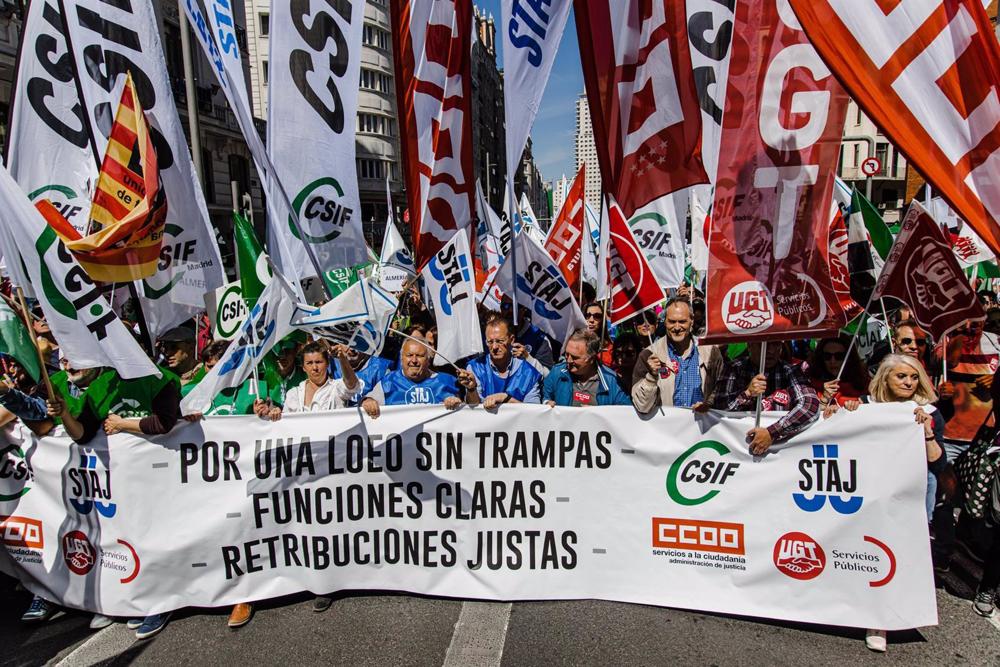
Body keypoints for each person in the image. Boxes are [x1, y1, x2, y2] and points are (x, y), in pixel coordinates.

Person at [28, 362, 181, 638]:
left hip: (164, 474)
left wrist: (123, 424)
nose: (68, 364)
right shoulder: (100, 388)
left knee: (160, 537)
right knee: (134, 538)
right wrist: (64, 414)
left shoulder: (158, 378)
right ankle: (141, 598)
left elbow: (165, 422)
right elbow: (83, 435)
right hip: (125, 480)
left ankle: (163, 601)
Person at [827, 354, 946, 652]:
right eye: (901, 376)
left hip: (903, 496)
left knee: (892, 556)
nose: (908, 382)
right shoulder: (865, 406)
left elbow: (937, 463)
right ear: (885, 379)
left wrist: (927, 431)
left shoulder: (927, 411)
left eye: (914, 377)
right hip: (864, 494)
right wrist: (843, 411)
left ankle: (878, 621)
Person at [712, 342, 820, 454]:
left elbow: (810, 405)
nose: (771, 351)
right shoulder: (733, 369)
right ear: (750, 345)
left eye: (776, 345)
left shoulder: (790, 371)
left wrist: (771, 432)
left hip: (778, 456)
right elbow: (719, 410)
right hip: (737, 451)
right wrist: (747, 394)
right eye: (763, 345)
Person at [632, 299, 723, 413]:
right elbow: (641, 407)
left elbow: (721, 392)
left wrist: (708, 404)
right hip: (666, 428)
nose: (677, 327)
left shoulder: (711, 352)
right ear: (664, 322)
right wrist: (651, 377)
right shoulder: (649, 355)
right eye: (672, 321)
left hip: (701, 426)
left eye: (682, 321)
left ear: (692, 321)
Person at [361, 339, 477, 418]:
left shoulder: (448, 381)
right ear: (402, 358)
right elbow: (366, 404)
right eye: (409, 355)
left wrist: (469, 393)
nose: (414, 360)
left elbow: (474, 412)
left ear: (428, 359)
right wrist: (367, 401)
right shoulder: (388, 382)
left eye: (420, 356)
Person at [464, 316, 542, 408]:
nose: (494, 347)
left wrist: (505, 398)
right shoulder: (476, 367)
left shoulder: (528, 373)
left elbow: (534, 412)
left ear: (512, 339)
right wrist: (471, 389)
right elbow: (474, 407)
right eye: (490, 342)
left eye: (500, 341)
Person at [542, 329, 630, 406]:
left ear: (591, 358)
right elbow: (544, 395)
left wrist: (598, 414)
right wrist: (546, 403)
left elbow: (624, 411)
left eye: (575, 357)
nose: (568, 360)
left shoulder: (612, 382)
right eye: (567, 354)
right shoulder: (557, 372)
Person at [273, 342, 360, 416]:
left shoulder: (336, 388)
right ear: (303, 367)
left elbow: (352, 385)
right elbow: (285, 426)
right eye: (309, 363)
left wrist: (342, 358)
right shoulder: (293, 394)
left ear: (328, 363)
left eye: (318, 362)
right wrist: (276, 414)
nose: (314, 367)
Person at [807, 336, 867, 410]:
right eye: (827, 356)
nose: (833, 361)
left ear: (849, 358)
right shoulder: (811, 385)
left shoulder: (864, 382)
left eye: (839, 356)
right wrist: (823, 400)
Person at [158, 322, 201, 392]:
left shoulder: (206, 372)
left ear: (191, 347)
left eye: (174, 347)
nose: (167, 353)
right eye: (165, 348)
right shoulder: (163, 375)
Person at [583, 303, 614, 367]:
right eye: (588, 315)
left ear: (602, 320)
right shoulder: (574, 343)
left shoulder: (610, 348)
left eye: (597, 316)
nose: (591, 320)